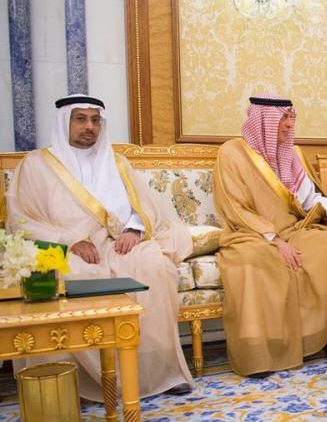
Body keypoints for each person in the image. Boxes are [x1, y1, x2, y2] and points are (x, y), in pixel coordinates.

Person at [8, 94, 195, 398]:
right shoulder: (36, 165)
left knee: (155, 266)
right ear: (64, 122)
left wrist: (134, 229)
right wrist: (69, 241)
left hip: (117, 244)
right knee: (72, 275)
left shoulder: (117, 163)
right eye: (80, 119)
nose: (89, 127)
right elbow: (22, 219)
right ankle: (75, 381)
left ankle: (160, 373)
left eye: (95, 120)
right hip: (66, 249)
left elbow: (146, 206)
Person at [213, 94, 327, 377]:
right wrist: (274, 240)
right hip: (249, 233)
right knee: (254, 261)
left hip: (291, 230)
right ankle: (262, 351)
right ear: (264, 120)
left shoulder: (289, 154)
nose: (290, 124)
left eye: (292, 118)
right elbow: (235, 208)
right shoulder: (231, 154)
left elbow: (307, 200)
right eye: (283, 118)